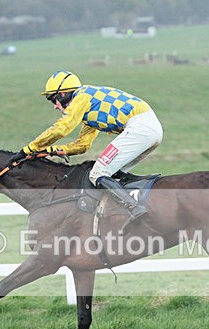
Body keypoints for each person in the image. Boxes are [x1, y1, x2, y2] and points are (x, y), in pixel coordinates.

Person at [14, 70, 163, 220]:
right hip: (148, 128)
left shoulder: (82, 97)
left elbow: (61, 128)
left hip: (140, 127)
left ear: (63, 94)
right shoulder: (90, 105)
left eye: (53, 100)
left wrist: (29, 149)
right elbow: (83, 145)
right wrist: (51, 150)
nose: (55, 106)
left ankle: (135, 208)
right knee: (110, 174)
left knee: (98, 173)